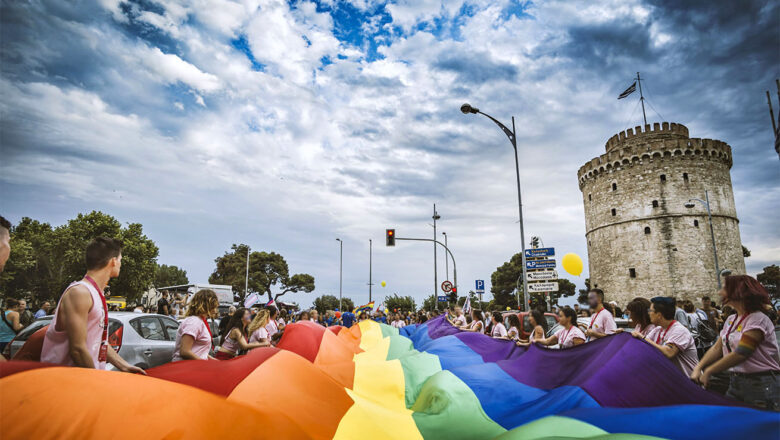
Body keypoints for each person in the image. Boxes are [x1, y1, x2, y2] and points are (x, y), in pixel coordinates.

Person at [40, 237, 144, 373]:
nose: (120, 264)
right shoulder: (80, 292)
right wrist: (96, 379)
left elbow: (100, 341)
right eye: (120, 260)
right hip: (65, 380)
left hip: (83, 379)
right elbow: (77, 349)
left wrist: (124, 365)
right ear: (113, 261)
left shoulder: (95, 293)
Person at [691, 275, 780, 410]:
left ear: (737, 291)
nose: (719, 292)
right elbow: (717, 348)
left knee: (760, 427)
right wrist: (699, 367)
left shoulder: (757, 319)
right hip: (736, 381)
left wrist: (709, 370)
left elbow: (742, 352)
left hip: (760, 383)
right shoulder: (732, 319)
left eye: (724, 288)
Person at [633, 297, 698, 377]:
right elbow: (640, 345)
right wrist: (623, 335)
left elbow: (669, 352)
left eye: (650, 311)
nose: (649, 313)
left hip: (689, 382)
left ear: (659, 315)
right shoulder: (658, 329)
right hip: (674, 381)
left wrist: (642, 337)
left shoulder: (680, 331)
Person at [172, 289, 218, 361]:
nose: (215, 311)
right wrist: (205, 364)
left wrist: (215, 362)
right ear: (205, 305)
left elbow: (200, 353)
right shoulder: (194, 322)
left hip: (194, 367)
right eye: (213, 306)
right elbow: (184, 351)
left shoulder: (199, 321)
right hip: (187, 368)